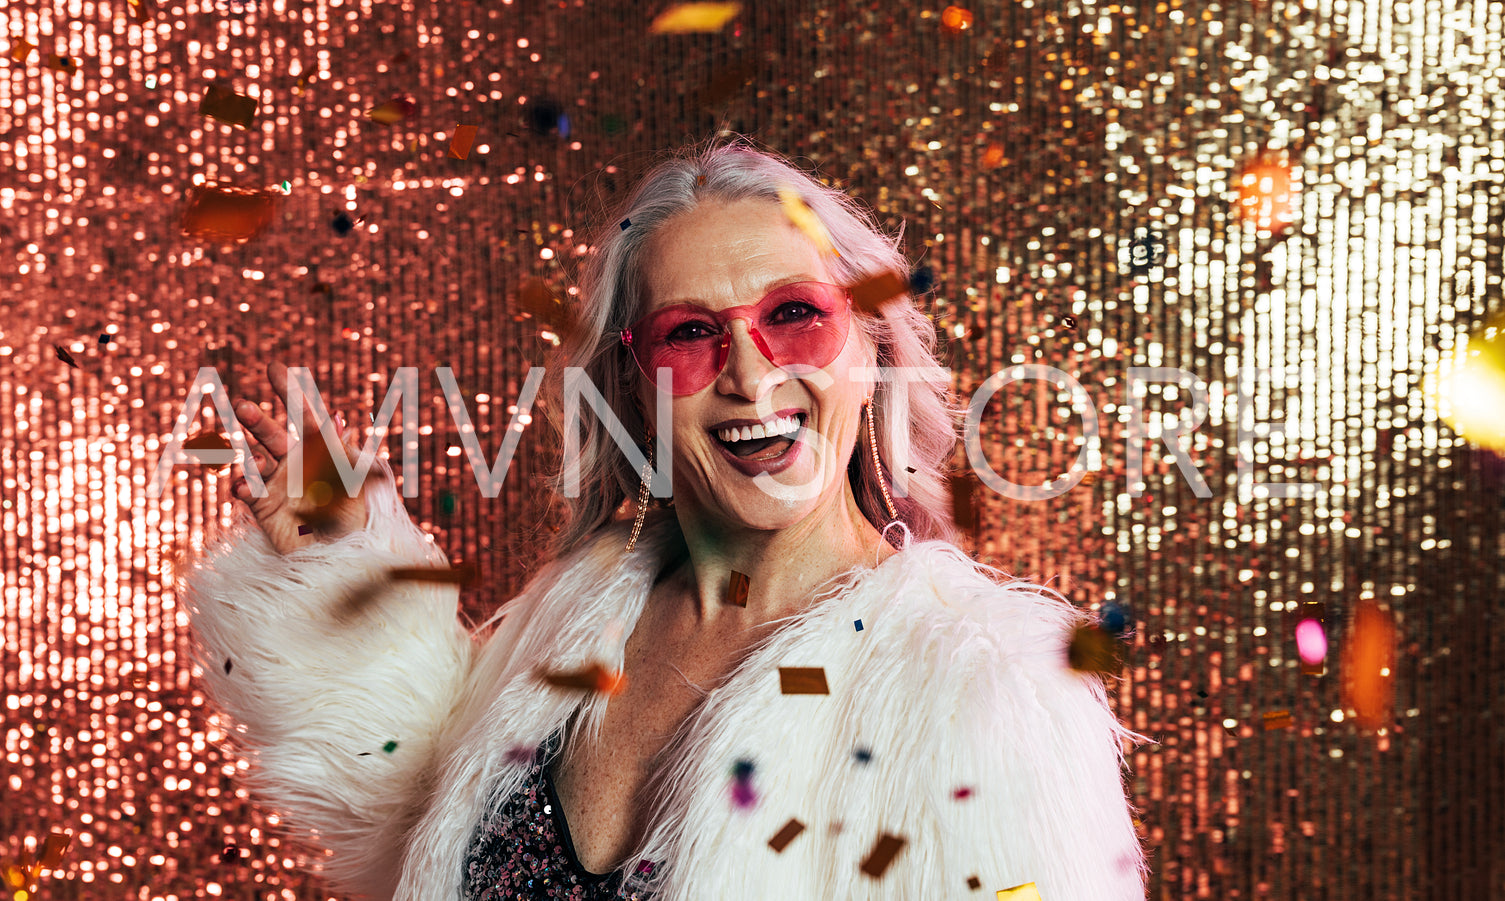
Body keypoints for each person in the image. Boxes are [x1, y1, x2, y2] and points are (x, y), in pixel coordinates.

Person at [185, 143, 1148, 901]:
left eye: (796, 314)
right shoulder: (576, 616)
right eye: (690, 333)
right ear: (631, 390)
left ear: (870, 350)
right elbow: (411, 827)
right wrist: (348, 568)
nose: (750, 372)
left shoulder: (980, 689)